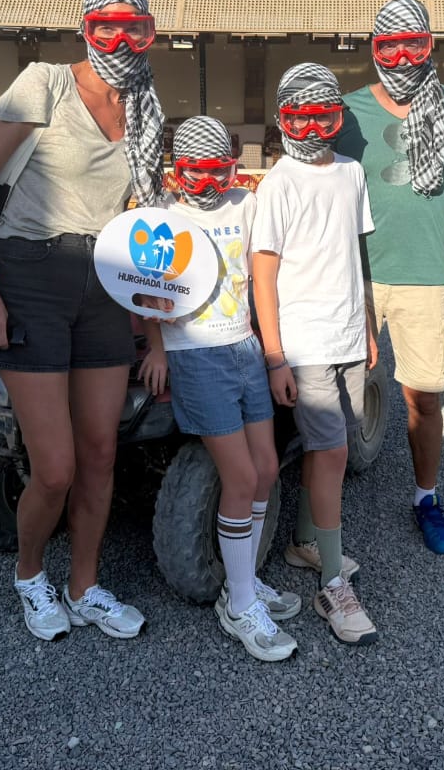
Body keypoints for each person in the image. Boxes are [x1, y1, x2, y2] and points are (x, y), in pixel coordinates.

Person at [0, 0, 166, 642]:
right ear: (86, 28)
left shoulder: (146, 110)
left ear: (150, 31)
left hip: (102, 281)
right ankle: (30, 572)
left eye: (134, 23)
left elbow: (145, 224)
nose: (120, 35)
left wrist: (154, 329)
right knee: (56, 465)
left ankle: (86, 584)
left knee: (102, 452)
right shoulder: (44, 82)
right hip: (30, 275)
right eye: (106, 23)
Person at [336, 0, 444, 556]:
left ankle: (425, 498)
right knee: (334, 394)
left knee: (425, 397)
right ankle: (322, 516)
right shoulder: (347, 111)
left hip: (425, 278)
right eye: (389, 45)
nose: (402, 56)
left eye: (415, 44)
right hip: (351, 276)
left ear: (431, 45)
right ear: (373, 49)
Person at [137, 116, 301, 662]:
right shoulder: (160, 214)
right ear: (175, 170)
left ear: (233, 168)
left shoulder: (246, 205)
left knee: (268, 470)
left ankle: (243, 586)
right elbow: (144, 289)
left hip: (245, 348)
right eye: (193, 174)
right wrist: (158, 347)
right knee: (240, 476)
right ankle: (238, 607)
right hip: (194, 353)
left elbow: (264, 267)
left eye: (218, 173)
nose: (206, 186)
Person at [252, 63, 379, 645]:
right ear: (282, 118)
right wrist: (276, 356)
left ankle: (306, 543)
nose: (312, 127)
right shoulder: (279, 183)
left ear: (338, 116)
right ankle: (333, 583)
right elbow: (264, 272)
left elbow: (356, 252)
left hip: (349, 333)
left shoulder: (351, 173)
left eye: (324, 115)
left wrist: (370, 325)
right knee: (331, 454)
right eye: (299, 116)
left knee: (328, 447)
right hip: (304, 343)